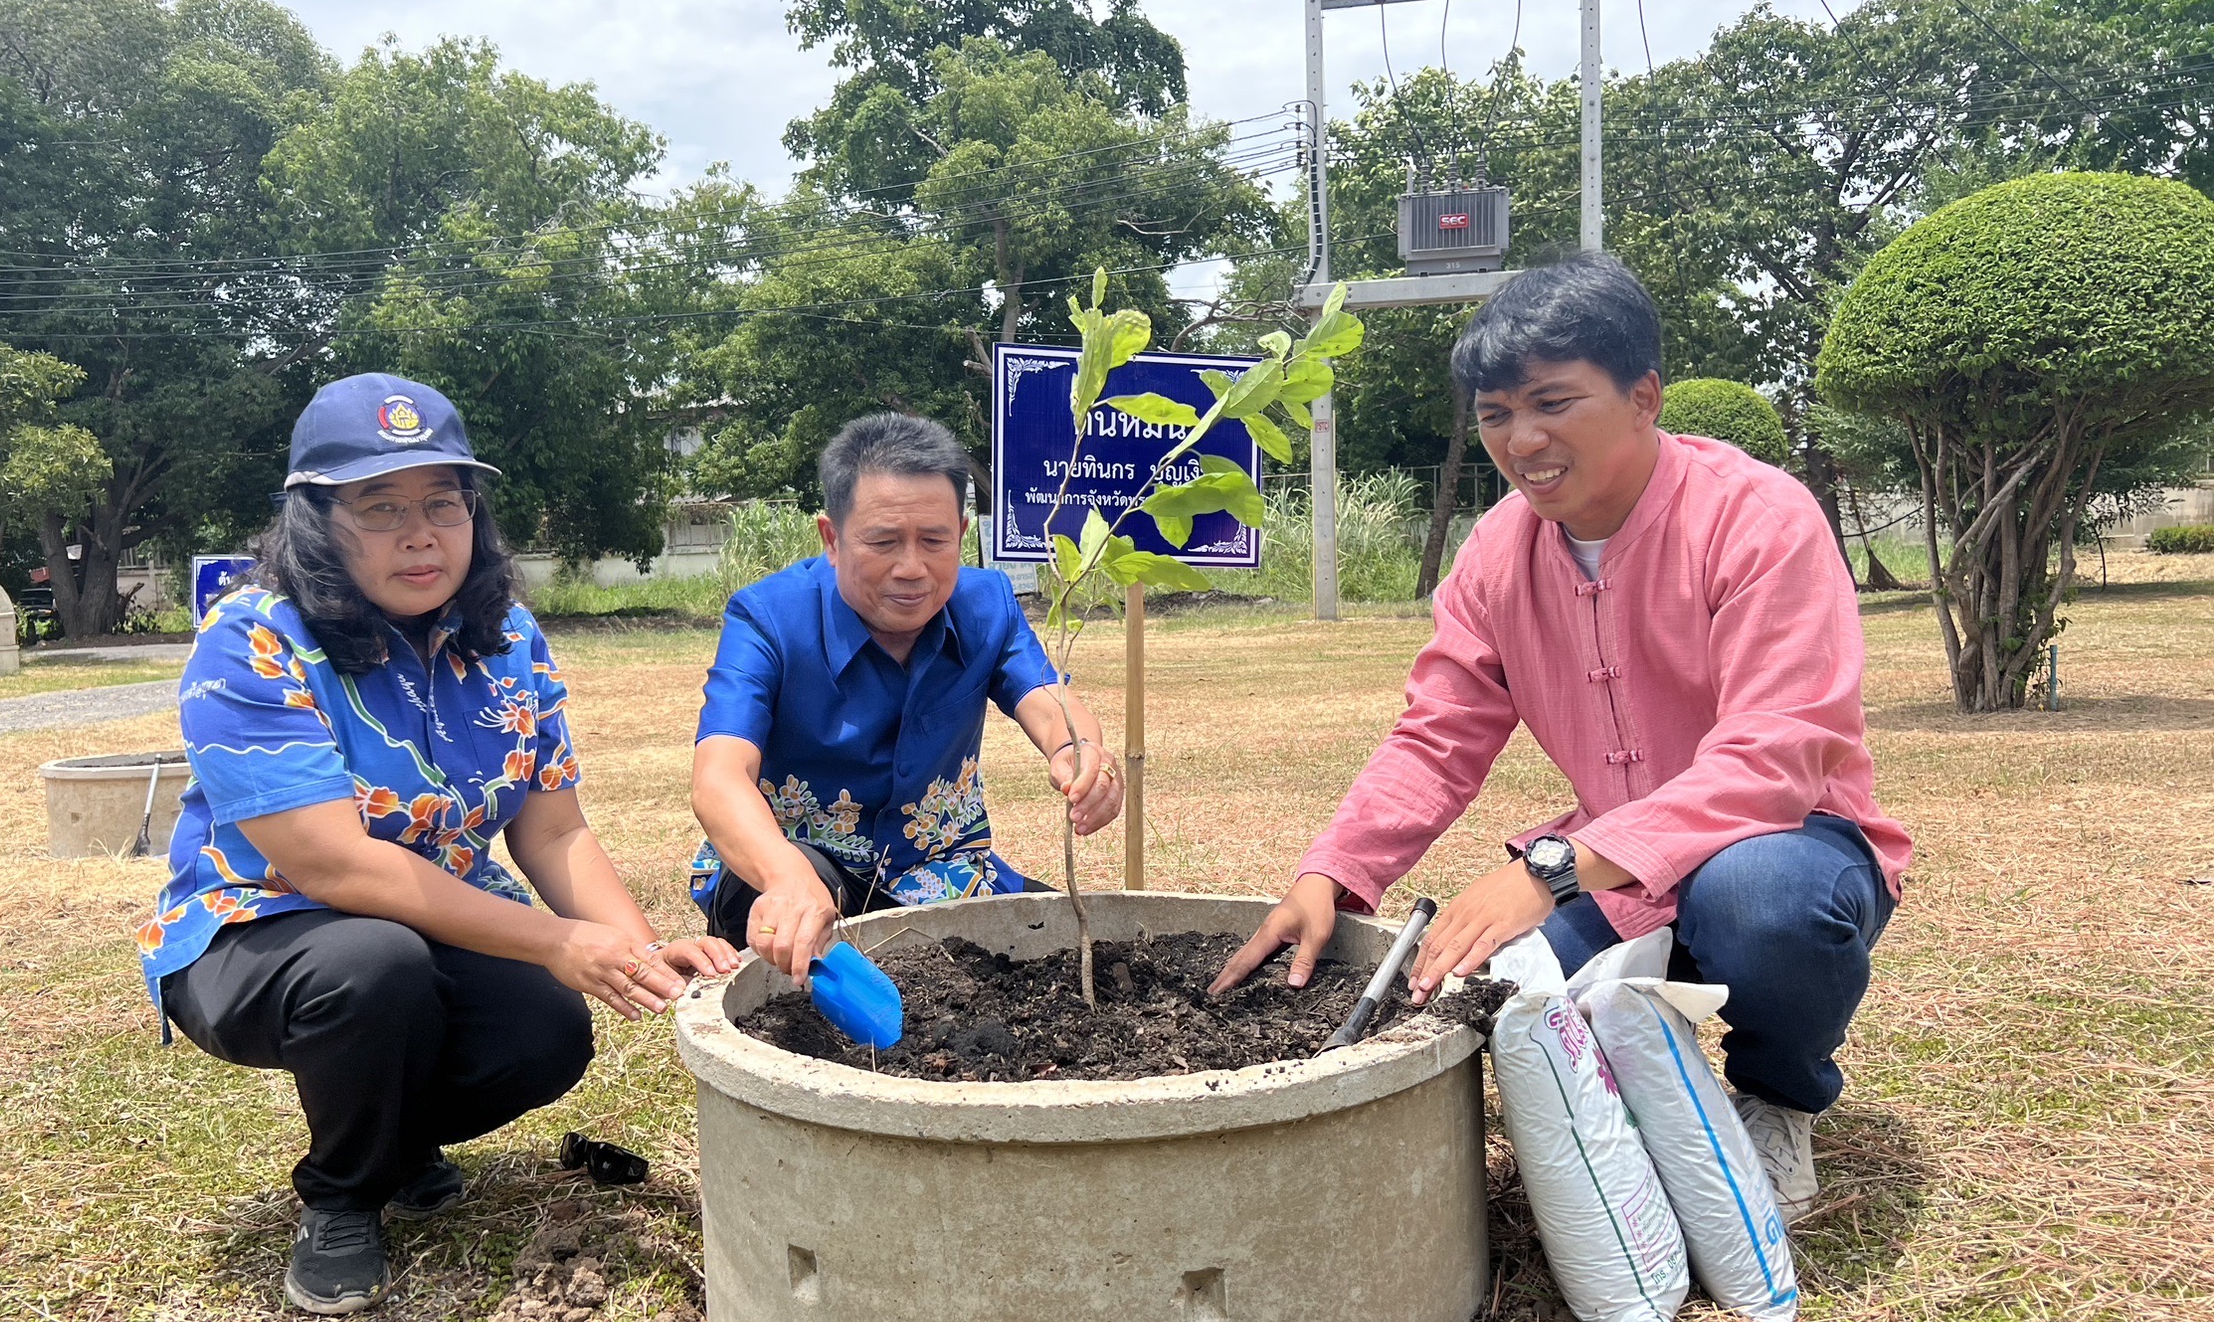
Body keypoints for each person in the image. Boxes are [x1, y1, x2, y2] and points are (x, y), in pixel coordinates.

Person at [1213, 255, 1910, 1219]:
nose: (1522, 439)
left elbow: (1774, 757)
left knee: (1760, 905)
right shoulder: (1499, 551)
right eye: (1495, 414)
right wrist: (1333, 872)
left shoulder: (1757, 520)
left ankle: (1776, 1097)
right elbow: (1437, 733)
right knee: (1489, 984)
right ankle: (1644, 1083)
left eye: (1552, 403)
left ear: (1643, 397)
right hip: (1609, 862)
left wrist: (1547, 869)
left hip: (1789, 842)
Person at [138, 373, 738, 1315]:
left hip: (439, 923)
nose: (421, 534)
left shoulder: (505, 639)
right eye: (380, 508)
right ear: (316, 523)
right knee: (371, 965)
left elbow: (553, 826)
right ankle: (343, 1199)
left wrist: (629, 944)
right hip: (258, 931)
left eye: (443, 504)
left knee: (544, 1030)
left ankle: (397, 1139)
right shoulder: (254, 640)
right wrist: (552, 940)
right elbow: (330, 865)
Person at [690, 413, 1123, 984]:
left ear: (963, 536)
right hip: (794, 865)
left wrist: (1081, 752)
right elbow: (718, 776)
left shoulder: (987, 602)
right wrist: (787, 876)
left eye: (935, 541)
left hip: (942, 871)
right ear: (832, 539)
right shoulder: (768, 617)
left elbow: (1046, 697)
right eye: (884, 542)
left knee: (1061, 955)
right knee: (813, 947)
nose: (912, 568)